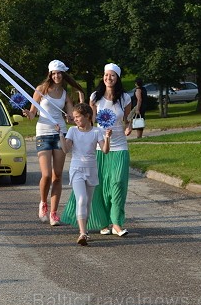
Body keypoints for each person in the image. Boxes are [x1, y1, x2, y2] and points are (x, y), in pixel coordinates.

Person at [61, 63, 133, 236]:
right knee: (99, 188)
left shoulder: (125, 98)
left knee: (117, 184)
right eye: (107, 75)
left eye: (113, 75)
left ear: (118, 78)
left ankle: (116, 222)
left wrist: (129, 127)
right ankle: (102, 222)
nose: (109, 78)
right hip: (100, 148)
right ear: (103, 77)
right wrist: (75, 122)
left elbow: (128, 119)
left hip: (119, 147)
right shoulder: (95, 97)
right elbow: (89, 121)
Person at [22, 60, 84, 226]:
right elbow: (32, 114)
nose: (56, 76)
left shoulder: (64, 93)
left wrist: (72, 116)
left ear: (63, 75)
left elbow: (72, 117)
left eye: (59, 73)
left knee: (57, 176)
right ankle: (43, 202)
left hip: (60, 134)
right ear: (50, 74)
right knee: (47, 174)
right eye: (54, 73)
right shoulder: (41, 90)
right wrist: (28, 113)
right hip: (43, 133)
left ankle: (54, 213)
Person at [58, 103, 110, 246]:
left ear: (87, 116)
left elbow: (105, 150)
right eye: (74, 117)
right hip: (76, 169)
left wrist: (107, 137)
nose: (75, 119)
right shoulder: (73, 131)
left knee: (87, 202)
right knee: (81, 198)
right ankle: (82, 233)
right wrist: (61, 135)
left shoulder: (96, 131)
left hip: (91, 169)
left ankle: (85, 231)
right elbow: (66, 149)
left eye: (77, 117)